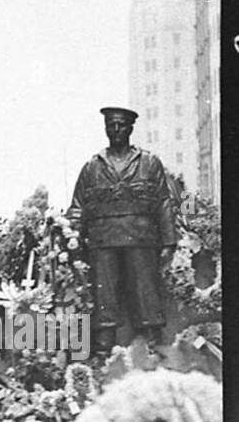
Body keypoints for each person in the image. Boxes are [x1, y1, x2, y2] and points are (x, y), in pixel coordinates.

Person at [68, 106, 177, 351]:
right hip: (103, 241)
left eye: (121, 125)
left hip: (140, 238)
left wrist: (169, 242)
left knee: (145, 290)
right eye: (111, 126)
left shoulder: (148, 162)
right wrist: (73, 237)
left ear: (130, 128)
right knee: (104, 294)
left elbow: (163, 202)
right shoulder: (91, 167)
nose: (116, 130)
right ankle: (104, 346)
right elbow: (78, 207)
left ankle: (152, 343)